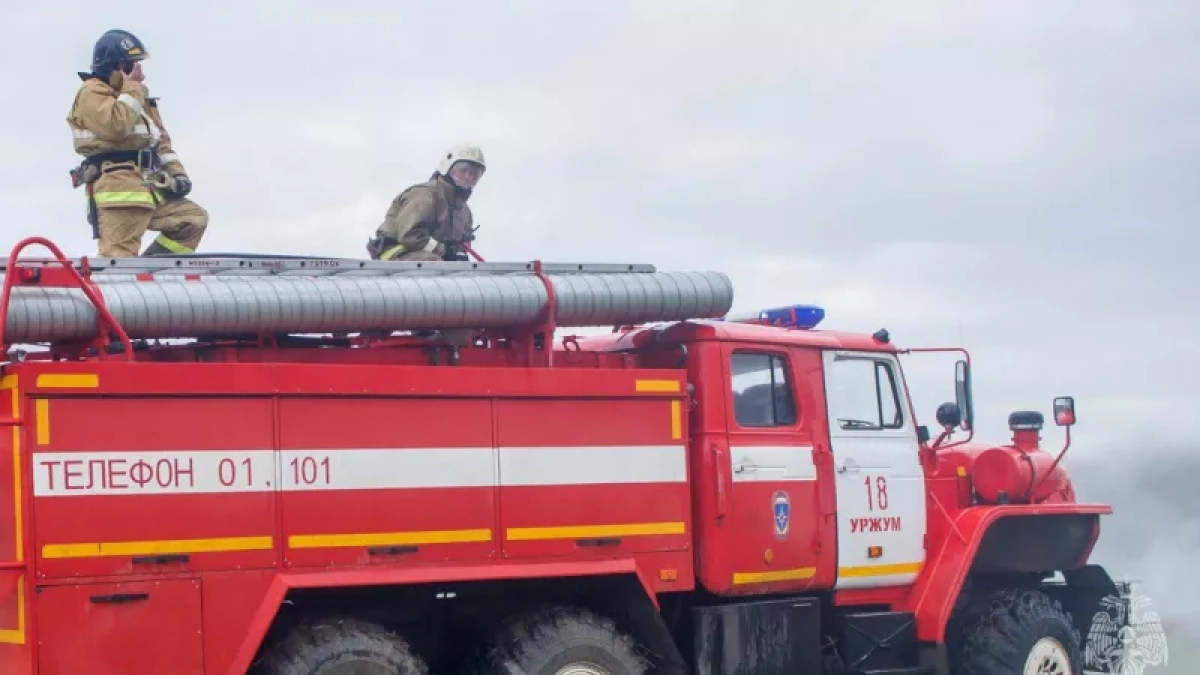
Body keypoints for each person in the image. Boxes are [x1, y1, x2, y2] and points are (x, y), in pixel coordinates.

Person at [66, 29, 209, 258]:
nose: (139, 72)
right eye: (131, 65)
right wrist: (132, 88)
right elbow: (116, 125)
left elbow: (161, 142)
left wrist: (178, 175)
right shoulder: (91, 93)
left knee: (192, 220)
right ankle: (122, 288)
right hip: (119, 190)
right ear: (116, 66)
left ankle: (151, 274)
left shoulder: (134, 97)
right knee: (119, 263)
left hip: (149, 187)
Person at [367, 145, 485, 262]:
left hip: (434, 258)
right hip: (396, 253)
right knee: (434, 263)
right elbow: (410, 235)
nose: (467, 177)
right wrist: (445, 251)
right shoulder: (425, 195)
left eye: (474, 174)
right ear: (447, 168)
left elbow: (462, 247)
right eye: (463, 170)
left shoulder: (465, 213)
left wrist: (459, 256)